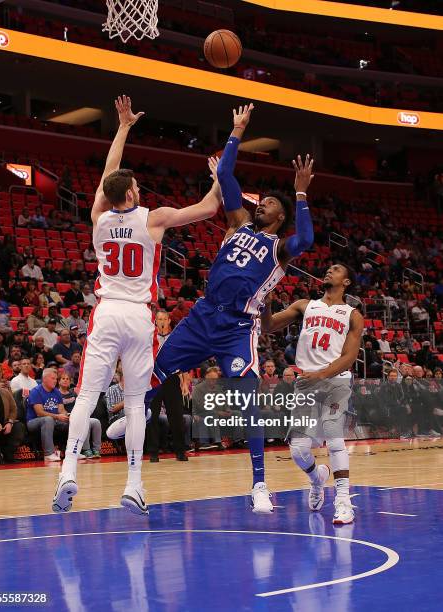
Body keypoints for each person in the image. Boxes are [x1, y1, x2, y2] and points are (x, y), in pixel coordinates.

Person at [109, 103, 314, 513]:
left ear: (282, 216)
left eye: (271, 203)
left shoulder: (280, 248)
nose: (263, 205)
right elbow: (224, 175)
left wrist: (301, 190)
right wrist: (236, 130)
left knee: (249, 402)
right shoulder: (237, 223)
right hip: (204, 315)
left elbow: (307, 239)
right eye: (263, 201)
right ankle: (143, 413)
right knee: (155, 370)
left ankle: (259, 484)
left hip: (239, 327)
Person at [53, 95, 222, 515]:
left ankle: (68, 472)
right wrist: (221, 177)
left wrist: (124, 128)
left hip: (106, 311)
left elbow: (108, 174)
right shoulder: (154, 218)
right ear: (132, 191)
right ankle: (133, 484)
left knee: (86, 394)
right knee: (133, 403)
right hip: (140, 317)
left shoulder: (99, 217)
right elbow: (208, 208)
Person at [262, 263, 363, 524]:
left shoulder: (352, 314)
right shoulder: (305, 305)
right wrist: (267, 302)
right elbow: (268, 326)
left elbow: (350, 357)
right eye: (329, 268)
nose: (330, 270)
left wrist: (322, 374)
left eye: (337, 269)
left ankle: (343, 502)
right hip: (306, 384)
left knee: (334, 435)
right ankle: (317, 479)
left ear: (347, 282)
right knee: (298, 450)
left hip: (335, 380)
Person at [26, 368, 69, 461]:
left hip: (54, 420)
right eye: (53, 378)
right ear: (44, 379)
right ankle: (48, 454)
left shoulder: (56, 391)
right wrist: (58, 416)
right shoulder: (35, 391)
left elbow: (61, 409)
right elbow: (39, 412)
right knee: (48, 419)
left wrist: (66, 415)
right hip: (34, 421)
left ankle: (73, 452)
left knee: (72, 421)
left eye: (56, 379)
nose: (55, 381)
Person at [59, 372, 101, 458]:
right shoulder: (57, 394)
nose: (65, 380)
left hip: (77, 415)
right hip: (65, 418)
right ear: (59, 381)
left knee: (96, 422)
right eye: (63, 379)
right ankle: (86, 449)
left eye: (67, 379)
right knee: (84, 422)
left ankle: (97, 449)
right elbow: (59, 410)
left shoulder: (73, 393)